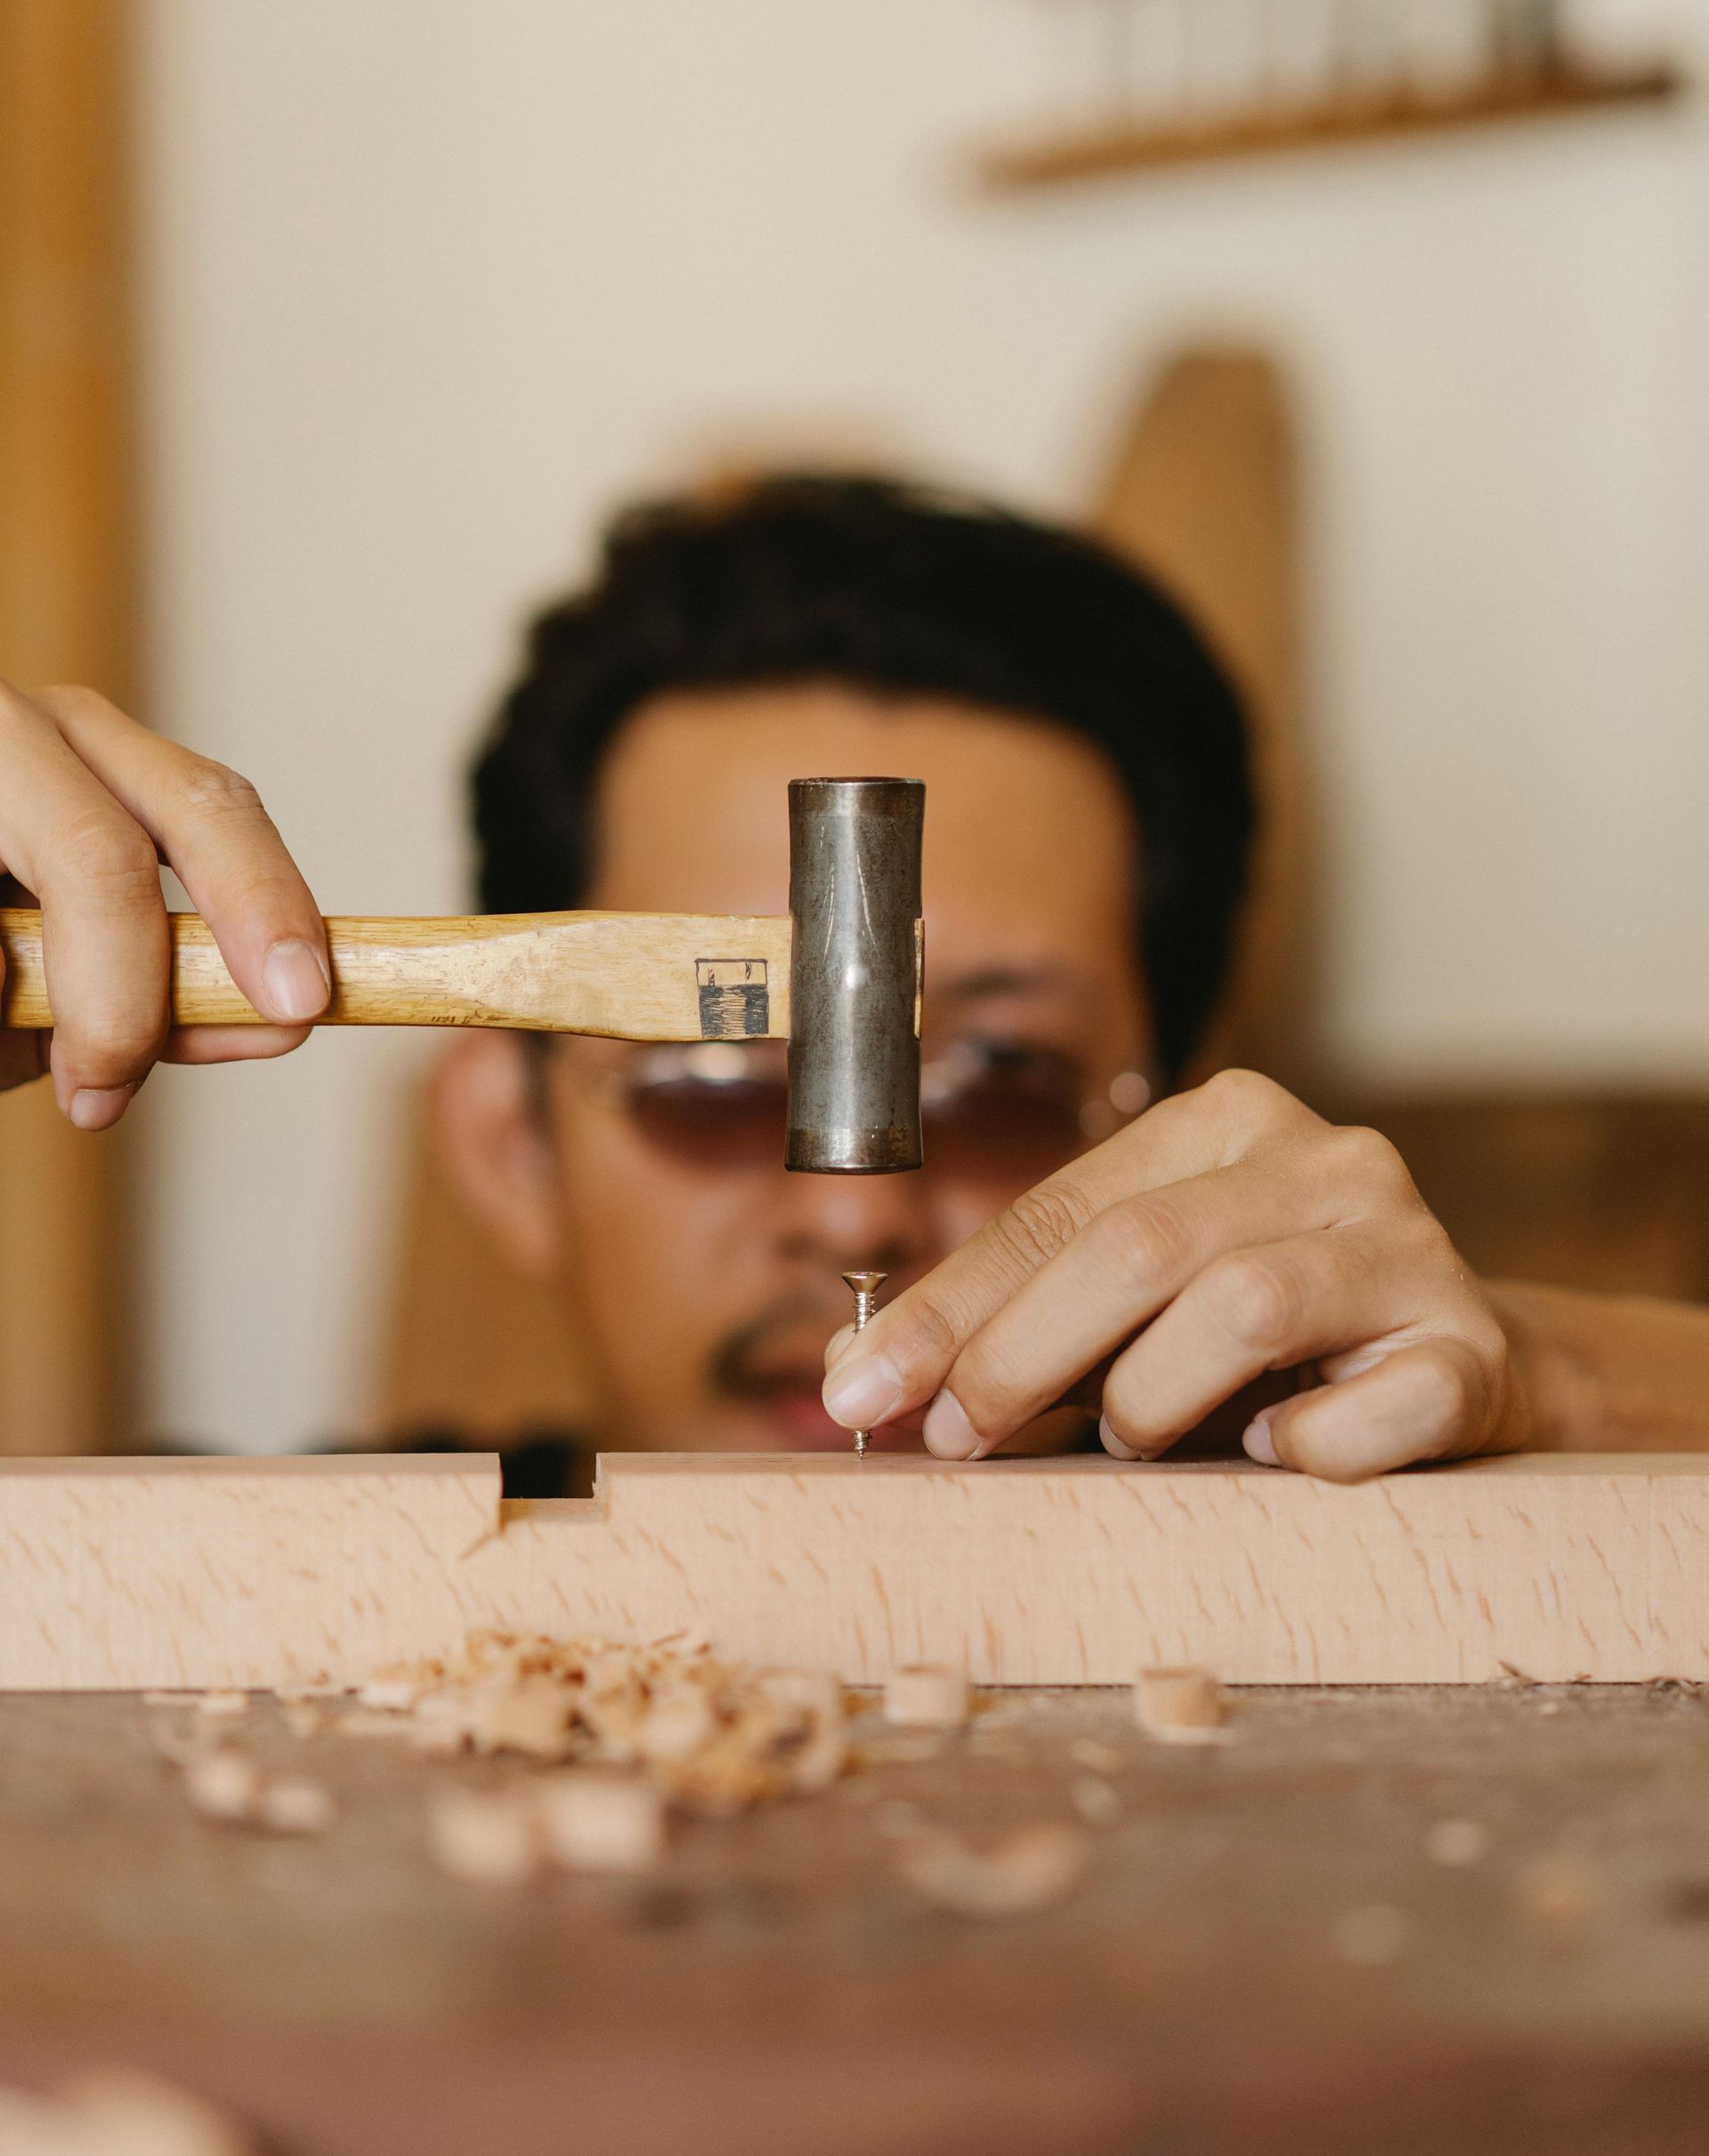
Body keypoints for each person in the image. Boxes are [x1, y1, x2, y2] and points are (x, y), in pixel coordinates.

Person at [4, 475, 1708, 1480]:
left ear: (1191, 1103)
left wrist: (1540, 1383)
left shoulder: (1346, 1539)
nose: (856, 1216)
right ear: (508, 1151)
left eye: (1001, 1074)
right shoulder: (295, 1592)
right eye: (700, 1082)